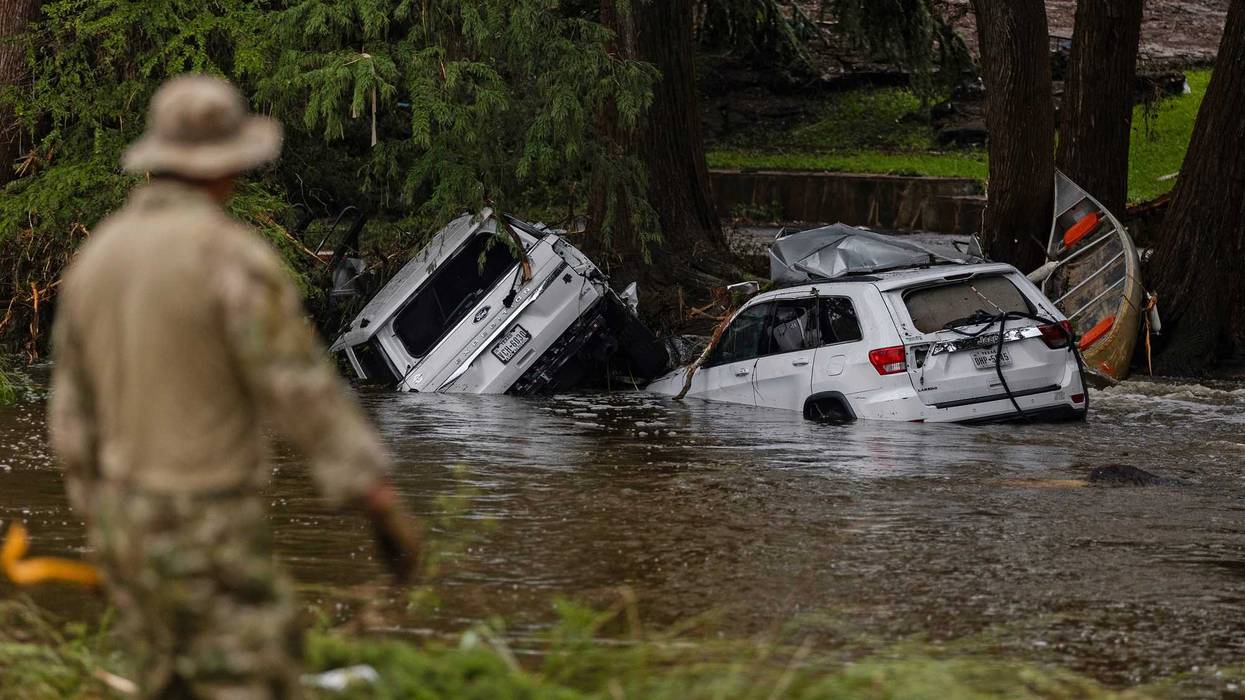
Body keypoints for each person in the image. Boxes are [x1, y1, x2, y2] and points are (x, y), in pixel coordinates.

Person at [47, 74, 423, 699]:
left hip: (122, 520)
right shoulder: (230, 258)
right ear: (226, 167)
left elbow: (69, 417)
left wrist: (101, 516)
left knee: (166, 680)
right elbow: (300, 390)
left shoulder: (97, 260)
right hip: (209, 522)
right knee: (249, 680)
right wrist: (376, 497)